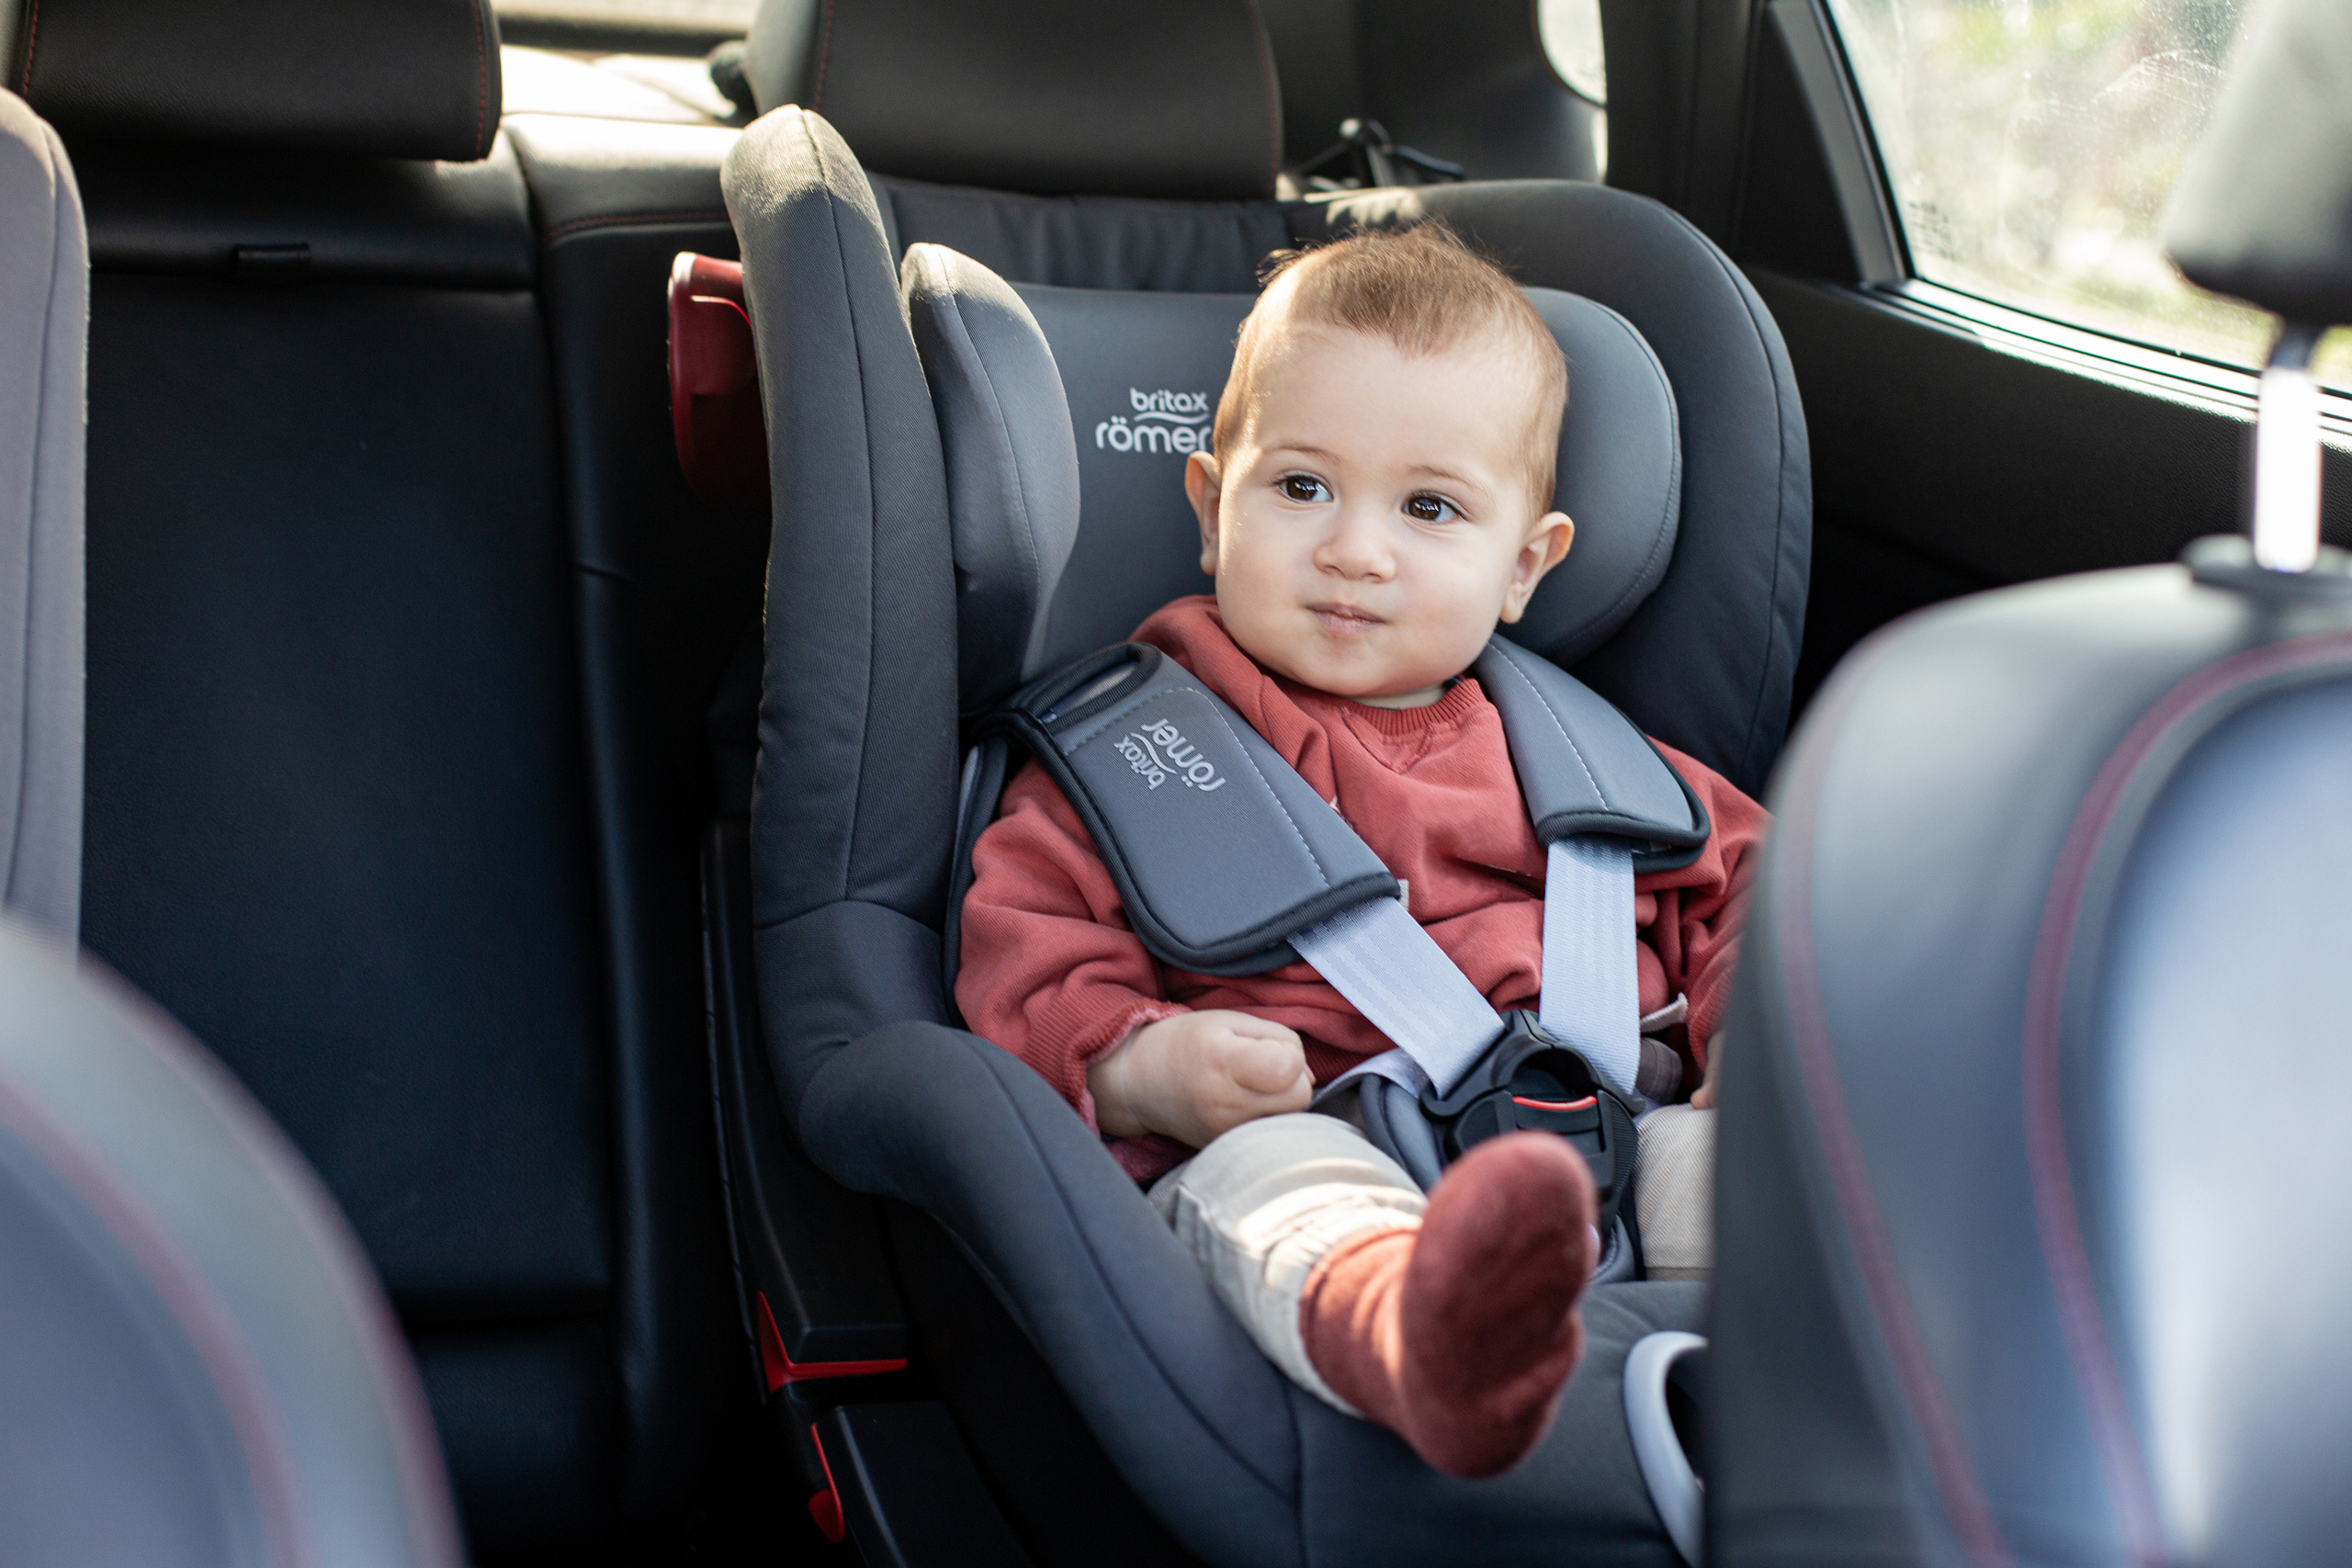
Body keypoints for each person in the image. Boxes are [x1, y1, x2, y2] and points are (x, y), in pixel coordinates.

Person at [956, 222, 1764, 1478]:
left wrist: (1749, 1028)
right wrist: (1138, 1065)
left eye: (1430, 507)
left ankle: (1827, 1365)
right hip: (1308, 1126)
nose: (1355, 550)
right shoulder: (1141, 747)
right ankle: (1425, 1339)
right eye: (1300, 487)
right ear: (1211, 507)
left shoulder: (1589, 755)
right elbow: (1026, 938)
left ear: (1524, 567)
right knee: (1281, 1196)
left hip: (1612, 1124)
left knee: (1745, 1163)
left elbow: (1756, 888)